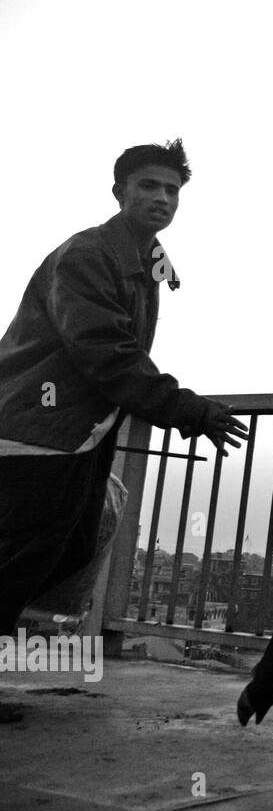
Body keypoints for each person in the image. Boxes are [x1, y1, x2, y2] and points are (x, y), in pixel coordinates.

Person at [0, 139, 248, 715]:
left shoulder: (145, 261)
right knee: (21, 557)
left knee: (67, 549)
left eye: (172, 190)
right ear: (120, 192)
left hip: (77, 434)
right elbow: (105, 352)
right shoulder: (89, 254)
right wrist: (186, 408)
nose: (162, 198)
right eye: (148, 186)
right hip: (35, 430)